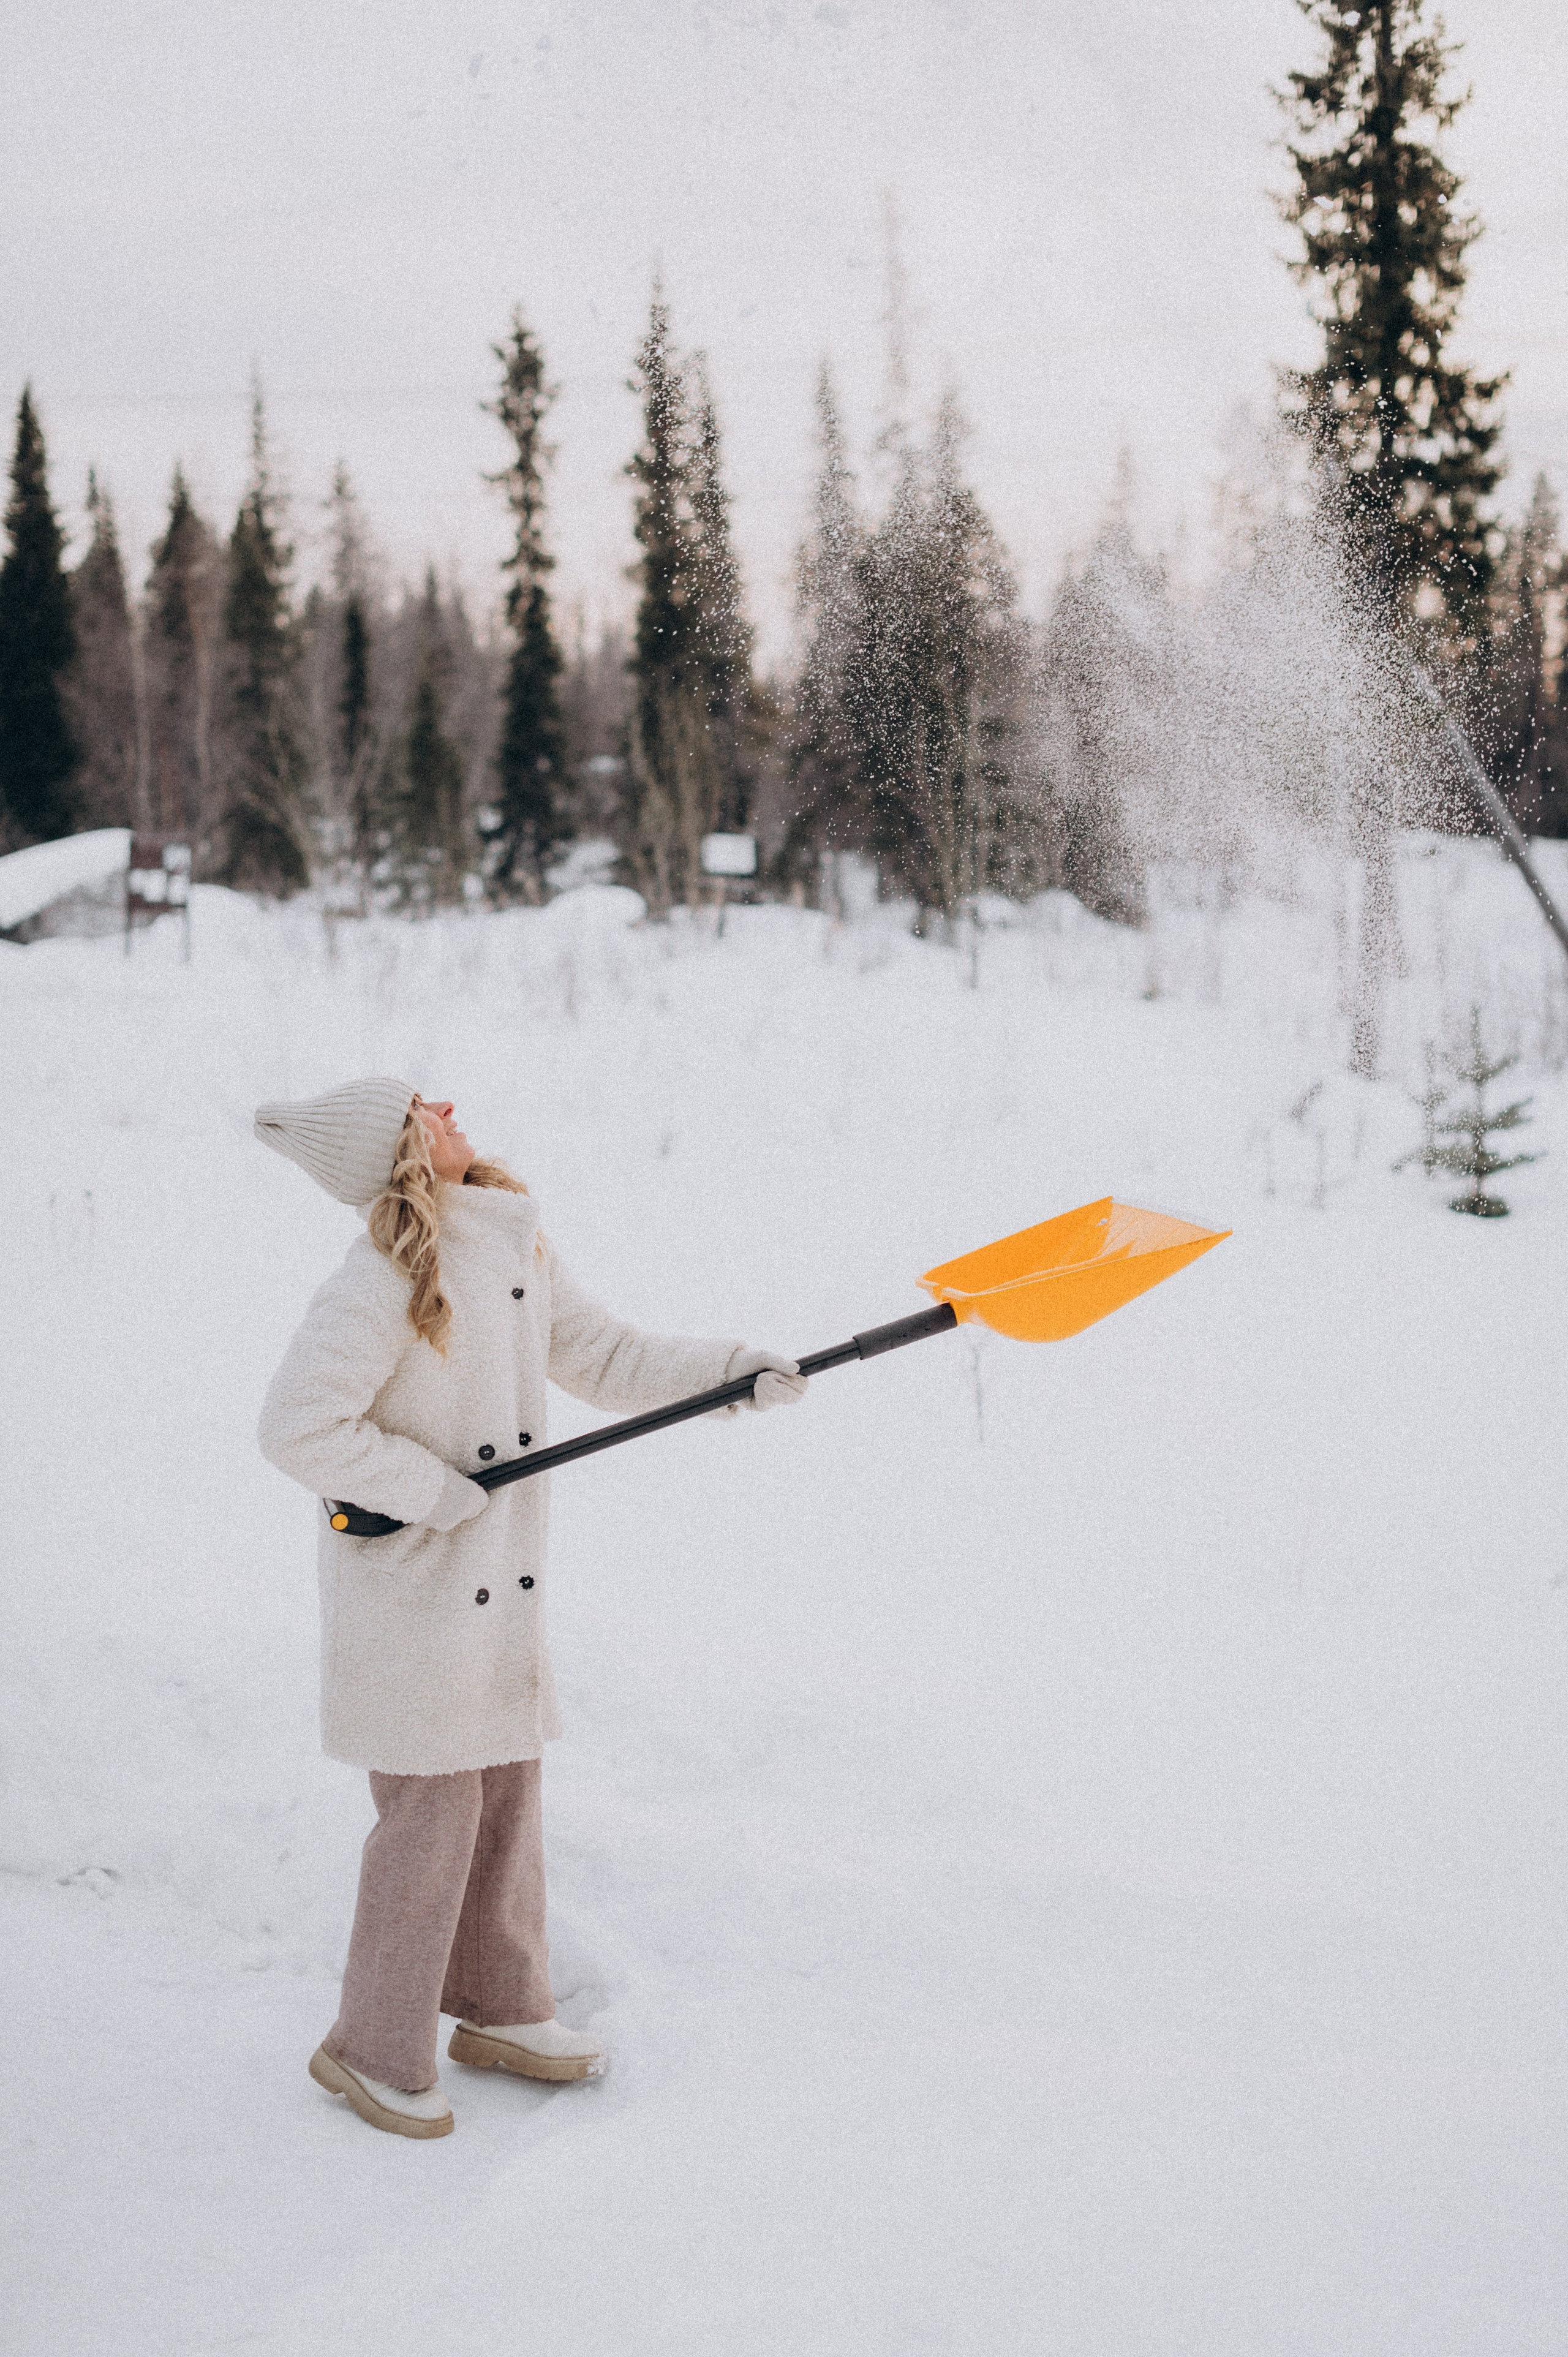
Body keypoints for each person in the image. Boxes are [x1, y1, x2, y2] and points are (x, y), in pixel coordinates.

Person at [254, 1077, 805, 2140]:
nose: (451, 1107)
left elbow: (607, 1357)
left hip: (491, 1589)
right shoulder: (378, 1280)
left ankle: (501, 2012)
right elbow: (296, 1427)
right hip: (414, 1589)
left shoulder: (511, 1245)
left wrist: (733, 1374)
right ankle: (368, 2049)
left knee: (504, 1791)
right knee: (431, 1816)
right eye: (425, 1106)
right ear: (400, 1148)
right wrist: (435, 1492)